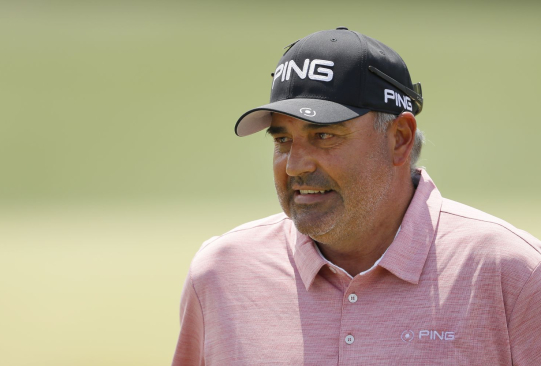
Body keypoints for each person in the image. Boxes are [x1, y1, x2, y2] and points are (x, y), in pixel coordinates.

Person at [172, 27, 541, 365]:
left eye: (324, 136)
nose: (294, 165)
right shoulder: (220, 273)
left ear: (399, 139)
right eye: (282, 139)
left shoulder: (514, 275)